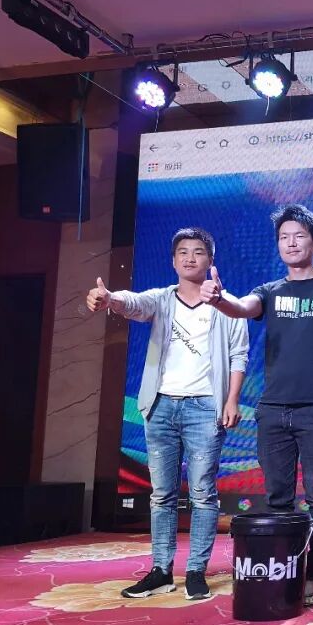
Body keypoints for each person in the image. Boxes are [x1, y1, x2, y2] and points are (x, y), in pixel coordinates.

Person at [200, 204, 313, 606]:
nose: (291, 243)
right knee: (277, 497)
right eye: (284, 237)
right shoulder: (270, 291)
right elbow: (242, 308)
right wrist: (219, 299)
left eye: (299, 236)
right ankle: (284, 568)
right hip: (272, 410)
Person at [86, 228, 248, 601]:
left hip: (205, 407)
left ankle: (196, 571)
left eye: (198, 252)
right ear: (173, 261)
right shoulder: (161, 299)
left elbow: (239, 355)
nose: (190, 257)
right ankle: (161, 571)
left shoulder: (229, 306)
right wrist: (110, 298)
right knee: (161, 495)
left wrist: (232, 400)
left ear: (210, 260)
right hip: (160, 406)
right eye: (183, 252)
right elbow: (133, 303)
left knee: (203, 493)